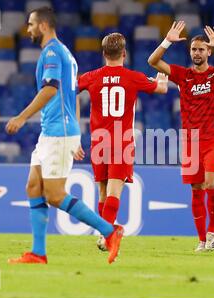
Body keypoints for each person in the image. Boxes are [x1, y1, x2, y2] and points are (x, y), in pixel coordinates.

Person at [5, 7, 123, 264]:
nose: (28, 29)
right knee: (33, 187)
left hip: (58, 132)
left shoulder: (52, 53)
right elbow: (73, 95)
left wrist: (22, 117)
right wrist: (78, 132)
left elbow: (50, 89)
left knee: (55, 194)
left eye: (31, 24)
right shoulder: (66, 54)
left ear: (44, 26)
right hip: (53, 131)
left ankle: (109, 231)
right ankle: (38, 253)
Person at [148, 22, 214, 252]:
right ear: (190, 52)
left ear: (208, 52)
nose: (197, 53)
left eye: (201, 49)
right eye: (194, 49)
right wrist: (167, 41)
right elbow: (153, 62)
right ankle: (202, 240)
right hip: (190, 141)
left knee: (211, 183)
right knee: (195, 189)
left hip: (213, 139)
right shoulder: (183, 75)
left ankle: (212, 231)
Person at [78, 32, 168, 250]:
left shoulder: (91, 76)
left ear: (103, 54)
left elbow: (68, 91)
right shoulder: (132, 77)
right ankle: (106, 236)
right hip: (121, 141)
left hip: (98, 140)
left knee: (102, 191)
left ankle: (102, 233)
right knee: (114, 191)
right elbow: (161, 88)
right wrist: (163, 74)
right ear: (124, 54)